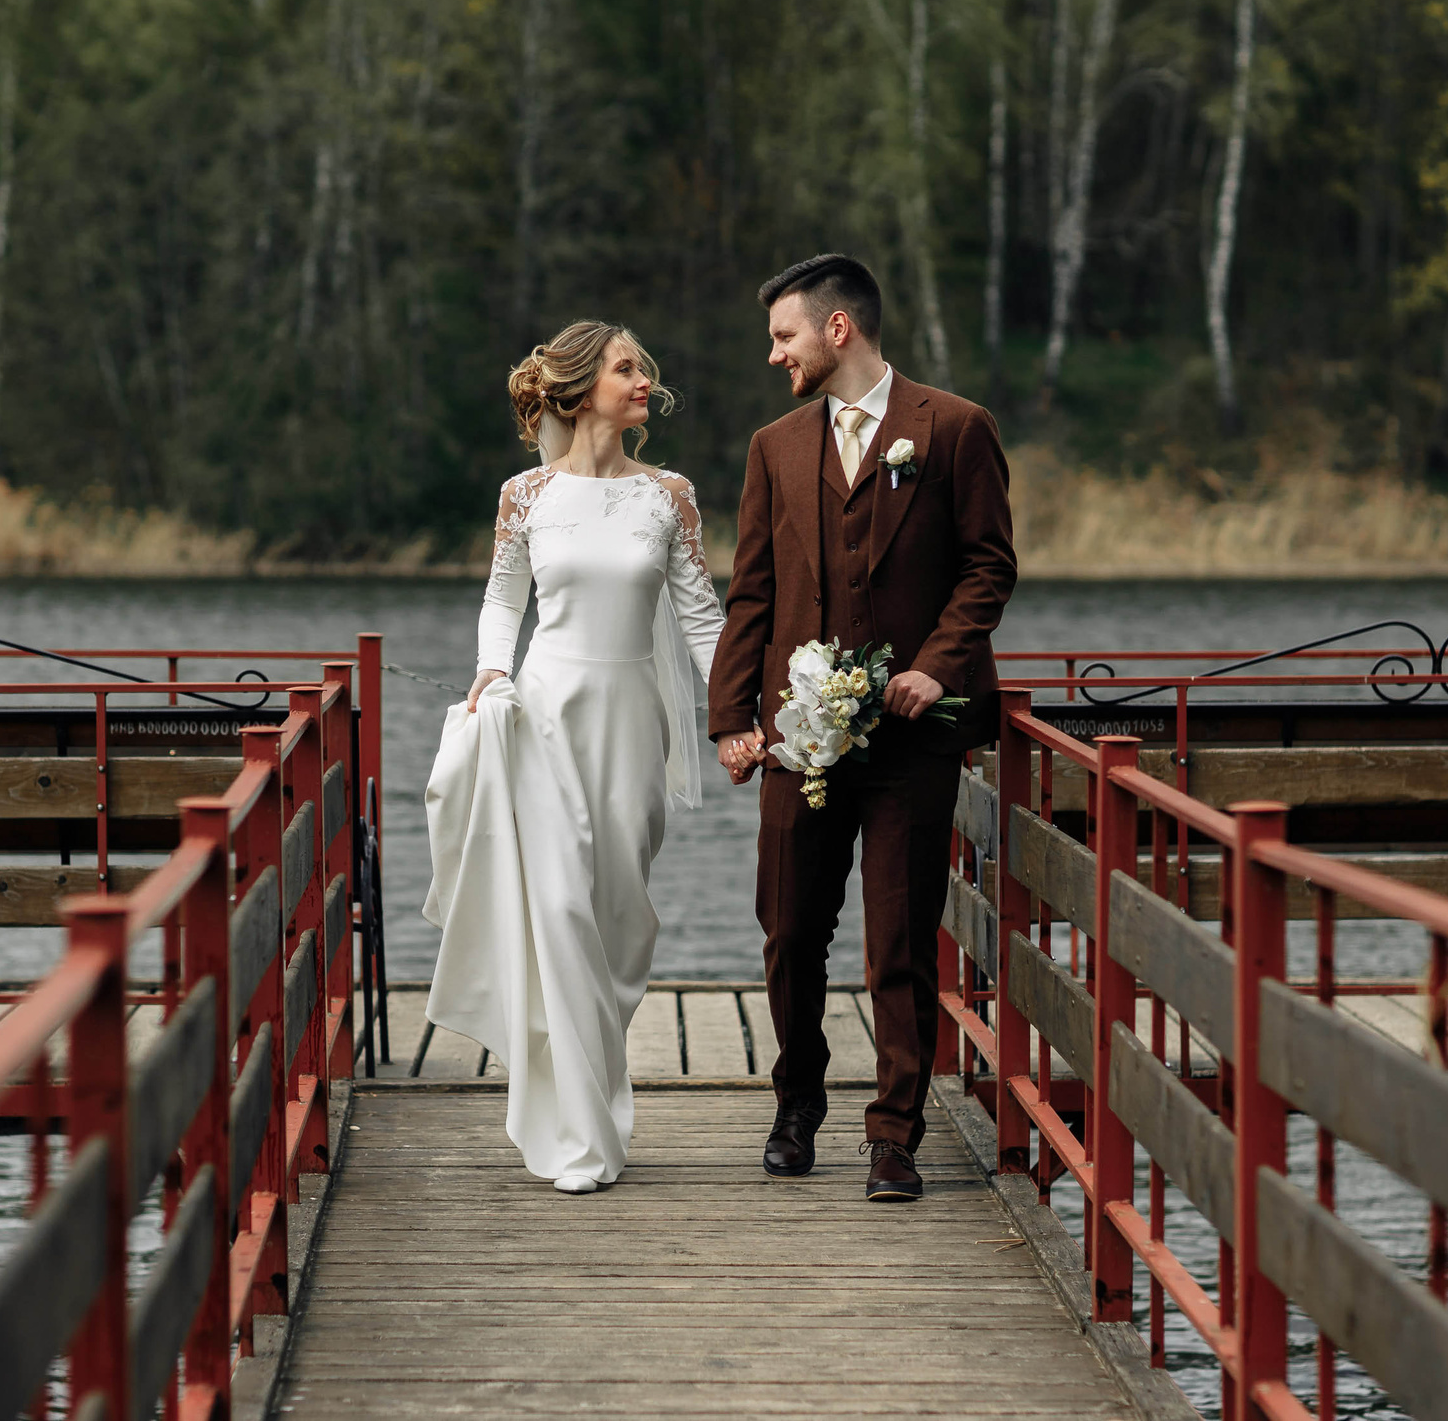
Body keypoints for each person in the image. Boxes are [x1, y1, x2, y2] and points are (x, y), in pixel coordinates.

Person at [707, 255, 1017, 1202]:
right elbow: (752, 591)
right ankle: (797, 1104)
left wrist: (936, 665)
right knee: (790, 931)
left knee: (899, 941)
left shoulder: (956, 428)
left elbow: (987, 567)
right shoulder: (773, 446)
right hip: (797, 738)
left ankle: (895, 1137)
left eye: (784, 335)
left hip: (911, 740)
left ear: (837, 329)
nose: (775, 355)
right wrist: (731, 718)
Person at [422, 322, 725, 1193]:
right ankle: (578, 1137)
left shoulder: (669, 496)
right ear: (582, 384)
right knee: (556, 911)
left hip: (633, 725)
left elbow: (701, 618)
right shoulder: (526, 496)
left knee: (618, 925)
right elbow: (501, 600)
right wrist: (490, 673)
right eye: (627, 367)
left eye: (643, 368)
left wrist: (743, 711)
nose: (645, 380)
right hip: (545, 714)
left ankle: (599, 1090)